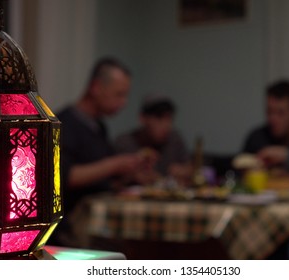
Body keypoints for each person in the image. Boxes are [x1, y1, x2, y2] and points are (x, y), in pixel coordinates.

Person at [51, 57, 149, 246]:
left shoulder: (99, 127)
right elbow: (65, 177)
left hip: (98, 226)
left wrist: (129, 172)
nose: (124, 102)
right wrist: (115, 165)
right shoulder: (64, 124)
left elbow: (102, 180)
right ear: (96, 87)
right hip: (71, 231)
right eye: (119, 95)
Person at [114, 94, 192, 185]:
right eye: (159, 118)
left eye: (169, 119)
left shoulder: (174, 139)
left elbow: (190, 168)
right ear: (143, 118)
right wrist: (131, 177)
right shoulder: (125, 142)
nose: (166, 125)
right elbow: (112, 182)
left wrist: (184, 171)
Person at [241, 80, 289, 171]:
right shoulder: (256, 137)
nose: (273, 118)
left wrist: (286, 156)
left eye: (280, 113)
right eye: (269, 111)